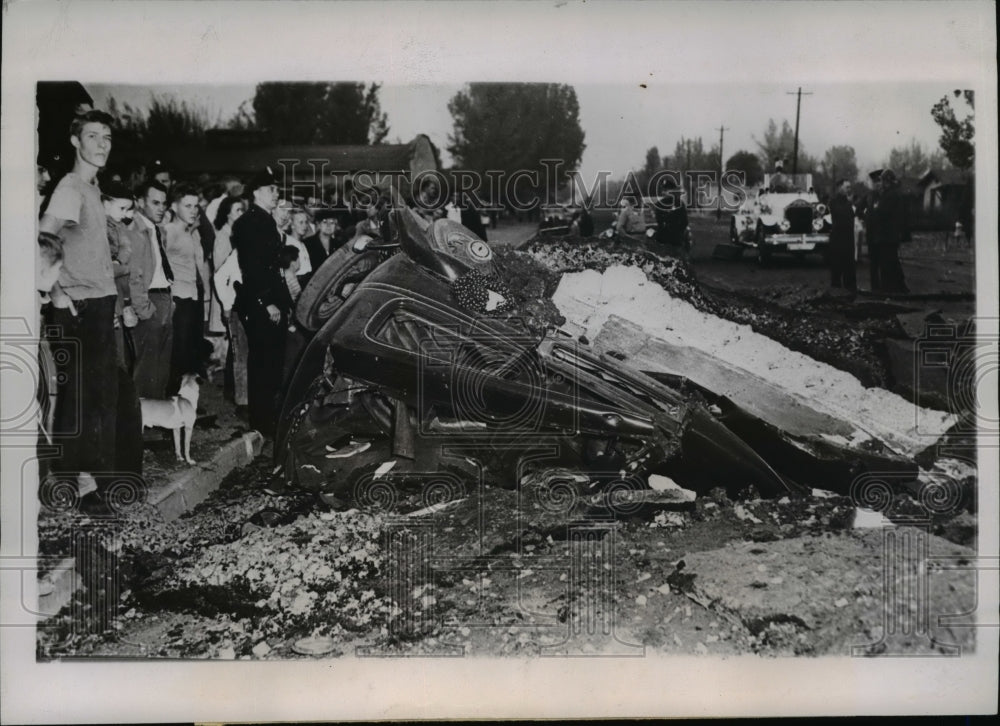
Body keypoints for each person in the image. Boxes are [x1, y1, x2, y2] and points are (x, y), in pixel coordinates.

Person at [38, 109, 119, 502]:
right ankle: (72, 483)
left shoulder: (91, 189)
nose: (102, 144)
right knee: (79, 399)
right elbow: (44, 238)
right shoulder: (70, 187)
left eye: (107, 137)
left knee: (97, 397)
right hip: (78, 307)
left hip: (98, 303)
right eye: (92, 136)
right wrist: (55, 292)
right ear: (75, 141)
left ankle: (87, 478)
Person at [232, 166, 287, 437]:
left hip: (270, 300)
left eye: (277, 189)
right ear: (256, 192)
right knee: (263, 364)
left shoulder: (264, 220)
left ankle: (268, 421)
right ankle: (262, 423)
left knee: (272, 362)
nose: (276, 193)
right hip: (261, 303)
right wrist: (267, 302)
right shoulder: (251, 222)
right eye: (270, 189)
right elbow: (253, 267)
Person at [163, 184, 210, 393]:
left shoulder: (188, 231)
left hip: (191, 295)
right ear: (173, 206)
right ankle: (172, 399)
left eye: (195, 206)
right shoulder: (169, 231)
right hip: (178, 297)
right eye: (187, 206)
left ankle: (184, 400)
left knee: (189, 350)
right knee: (178, 352)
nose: (193, 210)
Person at [130, 180, 174, 398]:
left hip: (164, 298)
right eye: (155, 202)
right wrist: (144, 308)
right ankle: (141, 424)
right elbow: (133, 275)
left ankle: (158, 417)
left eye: (164, 203)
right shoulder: (135, 231)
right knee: (146, 368)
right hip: (149, 301)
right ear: (139, 202)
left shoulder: (156, 230)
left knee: (161, 366)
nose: (161, 208)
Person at [209, 196, 246, 335]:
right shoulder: (223, 238)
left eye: (242, 210)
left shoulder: (237, 234)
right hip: (226, 300)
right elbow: (221, 275)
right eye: (237, 210)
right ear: (227, 214)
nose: (241, 214)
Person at [874, 169, 909, 294]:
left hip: (886, 235)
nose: (881, 183)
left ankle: (888, 288)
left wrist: (876, 208)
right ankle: (900, 287)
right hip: (892, 235)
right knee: (893, 261)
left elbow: (882, 212)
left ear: (886, 181)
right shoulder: (896, 194)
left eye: (882, 180)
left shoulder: (889, 195)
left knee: (886, 262)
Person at [828, 178, 857, 291]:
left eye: (850, 187)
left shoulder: (848, 201)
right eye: (846, 187)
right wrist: (849, 203)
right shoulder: (833, 201)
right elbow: (840, 214)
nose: (849, 190)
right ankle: (836, 290)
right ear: (840, 188)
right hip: (838, 239)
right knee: (837, 266)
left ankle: (850, 289)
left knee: (849, 266)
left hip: (848, 238)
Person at [654, 179, 689, 252]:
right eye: (664, 189)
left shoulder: (679, 204)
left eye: (667, 189)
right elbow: (659, 221)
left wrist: (678, 232)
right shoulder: (659, 204)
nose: (664, 192)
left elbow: (684, 222)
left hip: (675, 238)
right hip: (663, 238)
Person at [863, 168, 884, 292]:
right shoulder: (869, 197)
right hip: (872, 235)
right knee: (874, 264)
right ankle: (875, 288)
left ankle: (883, 287)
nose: (877, 184)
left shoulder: (884, 196)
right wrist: (866, 216)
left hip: (881, 235)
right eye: (875, 182)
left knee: (883, 263)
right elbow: (859, 210)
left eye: (879, 182)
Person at [303, 208, 341, 273]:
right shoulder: (307, 243)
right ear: (318, 224)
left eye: (332, 222)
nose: (328, 226)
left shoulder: (339, 244)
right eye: (325, 222)